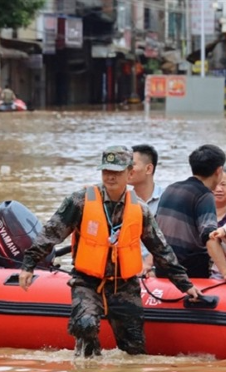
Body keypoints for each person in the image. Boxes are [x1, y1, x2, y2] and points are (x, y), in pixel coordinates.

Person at [18, 145, 201, 358]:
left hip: (124, 284)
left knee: (134, 348)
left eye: (116, 172)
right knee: (85, 325)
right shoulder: (80, 201)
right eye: (106, 171)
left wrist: (185, 285)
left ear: (130, 173)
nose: (110, 177)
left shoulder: (140, 210)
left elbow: (160, 249)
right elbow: (51, 232)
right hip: (87, 281)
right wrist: (28, 265)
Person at [156, 144, 226, 280]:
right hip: (190, 272)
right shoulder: (204, 195)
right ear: (219, 171)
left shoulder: (171, 188)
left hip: (162, 267)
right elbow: (209, 237)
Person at [128, 144, 165, 275]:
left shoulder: (167, 200)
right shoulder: (122, 201)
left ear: (148, 168)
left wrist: (148, 264)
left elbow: (168, 238)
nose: (126, 169)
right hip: (129, 268)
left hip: (158, 268)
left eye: (131, 165)